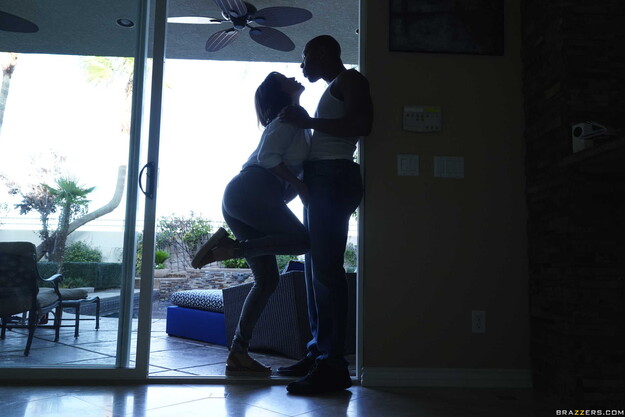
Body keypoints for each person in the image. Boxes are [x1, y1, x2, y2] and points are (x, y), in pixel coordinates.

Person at [191, 71, 311, 377]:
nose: (293, 75)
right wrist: (299, 186)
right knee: (303, 241)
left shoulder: (294, 118)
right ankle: (231, 250)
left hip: (243, 196)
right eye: (284, 77)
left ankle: (238, 354)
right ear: (279, 91)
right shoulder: (287, 119)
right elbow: (269, 158)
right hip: (253, 189)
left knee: (267, 280)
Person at [276, 35, 373, 394]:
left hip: (334, 177)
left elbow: (361, 125)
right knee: (314, 269)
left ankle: (333, 366)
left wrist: (308, 123)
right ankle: (319, 354)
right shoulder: (332, 87)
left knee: (327, 272)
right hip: (321, 179)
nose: (302, 66)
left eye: (305, 58)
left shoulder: (351, 79)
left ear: (322, 53)